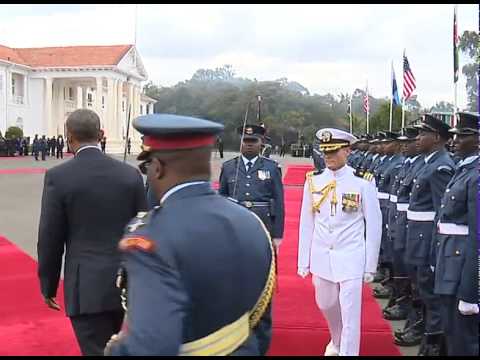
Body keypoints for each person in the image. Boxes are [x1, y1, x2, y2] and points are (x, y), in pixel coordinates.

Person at [103, 113, 275, 356]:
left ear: (158, 168)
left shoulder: (151, 237)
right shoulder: (252, 223)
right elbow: (261, 325)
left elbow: (151, 347)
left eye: (147, 167)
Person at [37, 109, 147, 356]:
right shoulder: (130, 175)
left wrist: (48, 285)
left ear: (69, 136)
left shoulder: (58, 176)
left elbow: (50, 238)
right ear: (101, 135)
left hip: (85, 288)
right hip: (130, 287)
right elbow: (144, 230)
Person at [297, 128, 382, 356]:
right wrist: (303, 260)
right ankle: (336, 340)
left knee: (351, 311)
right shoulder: (313, 181)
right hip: (322, 255)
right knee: (325, 303)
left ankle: (348, 352)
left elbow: (374, 225)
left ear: (347, 151)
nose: (328, 156)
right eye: (326, 152)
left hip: (351, 255)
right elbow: (307, 223)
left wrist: (370, 265)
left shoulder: (363, 182)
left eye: (334, 151)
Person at [218, 124, 284, 355]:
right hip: (234, 230)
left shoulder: (271, 168)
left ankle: (261, 334)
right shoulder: (228, 168)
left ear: (261, 144)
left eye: (253, 140)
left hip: (262, 229)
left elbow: (279, 200)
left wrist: (278, 235)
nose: (248, 144)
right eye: (245, 140)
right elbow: (221, 199)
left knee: (262, 281)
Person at [405, 114, 455, 355]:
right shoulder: (428, 162)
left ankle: (434, 343)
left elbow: (441, 211)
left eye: (423, 134)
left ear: (436, 138)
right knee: (421, 288)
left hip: (427, 237)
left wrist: (436, 248)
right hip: (417, 234)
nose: (418, 139)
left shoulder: (441, 166)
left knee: (430, 292)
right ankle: (425, 331)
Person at [434, 112, 478, 356]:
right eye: (456, 135)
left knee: (464, 341)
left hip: (462, 271)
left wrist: (471, 291)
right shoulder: (463, 170)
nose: (455, 141)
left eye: (463, 136)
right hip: (450, 264)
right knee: (453, 334)